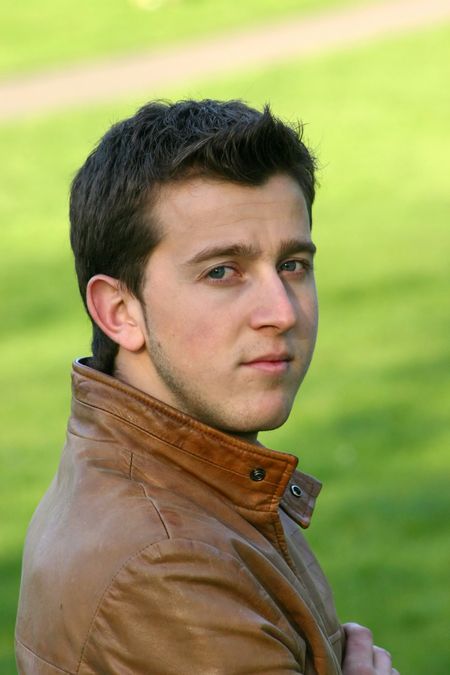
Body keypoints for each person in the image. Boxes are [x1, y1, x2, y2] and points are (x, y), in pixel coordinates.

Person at [15, 99, 398, 674]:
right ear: (119, 311)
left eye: (293, 264)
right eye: (223, 271)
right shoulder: (170, 566)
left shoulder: (164, 476)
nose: (282, 312)